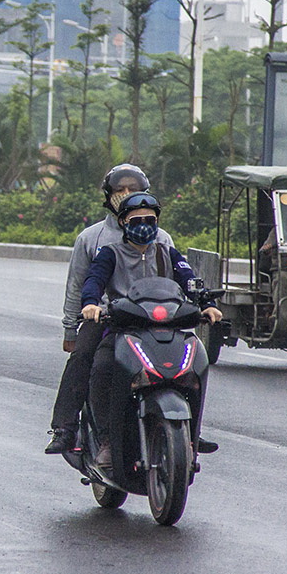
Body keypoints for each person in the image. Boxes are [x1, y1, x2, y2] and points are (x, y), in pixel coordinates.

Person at [81, 192, 223, 468]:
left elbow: (189, 280)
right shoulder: (109, 254)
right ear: (122, 223)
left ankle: (191, 433)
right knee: (101, 369)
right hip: (125, 330)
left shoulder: (167, 252)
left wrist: (208, 304)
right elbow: (93, 281)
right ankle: (107, 440)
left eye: (150, 219)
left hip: (165, 328)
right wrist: (91, 305)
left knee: (194, 366)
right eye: (136, 220)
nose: (144, 225)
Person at [44, 164, 176, 454]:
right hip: (107, 318)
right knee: (85, 359)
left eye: (133, 189)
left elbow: (176, 281)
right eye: (120, 190)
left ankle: (186, 428)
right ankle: (65, 429)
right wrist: (72, 327)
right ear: (109, 196)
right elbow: (78, 286)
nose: (126, 194)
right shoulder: (92, 239)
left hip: (153, 320)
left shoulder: (162, 239)